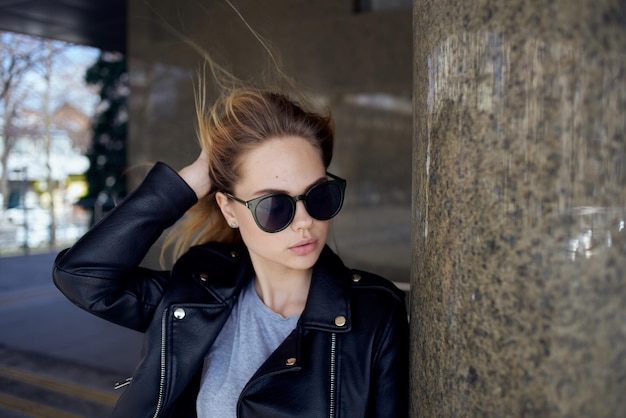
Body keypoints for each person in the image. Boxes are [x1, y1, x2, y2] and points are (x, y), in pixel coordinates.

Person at [53, 88, 409, 417]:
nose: (304, 222)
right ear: (229, 210)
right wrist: (187, 184)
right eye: (274, 206)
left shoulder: (374, 313)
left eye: (319, 196)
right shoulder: (195, 292)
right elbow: (84, 277)